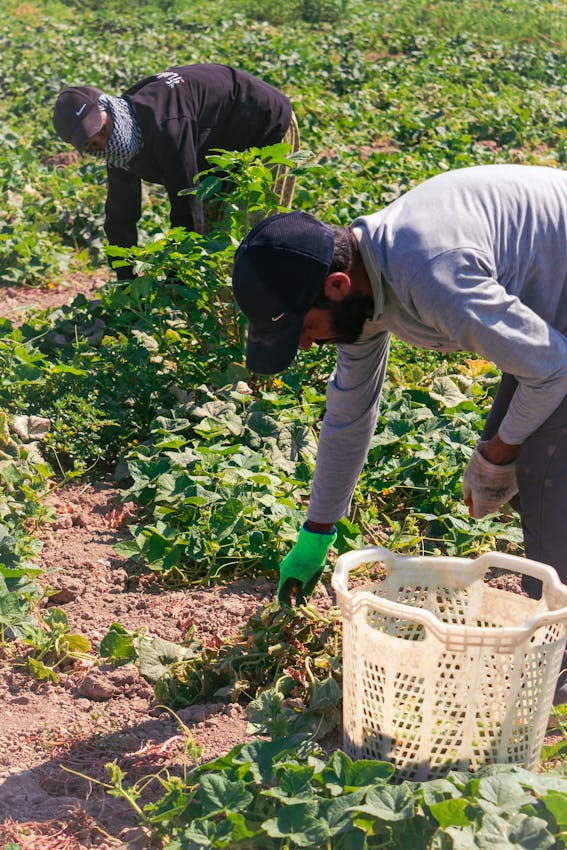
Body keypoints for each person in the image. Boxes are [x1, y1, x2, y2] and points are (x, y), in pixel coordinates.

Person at [231, 164, 567, 629]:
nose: (306, 344)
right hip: (551, 329)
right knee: (523, 474)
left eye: (305, 327)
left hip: (556, 347)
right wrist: (317, 533)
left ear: (337, 286)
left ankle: (559, 661)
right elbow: (349, 416)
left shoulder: (432, 274)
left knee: (540, 473)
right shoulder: (364, 288)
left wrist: (499, 450)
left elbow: (552, 371)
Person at [52, 64, 298, 279]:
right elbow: (121, 215)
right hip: (219, 143)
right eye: (93, 145)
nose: (105, 144)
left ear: (108, 107)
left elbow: (187, 204)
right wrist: (126, 279)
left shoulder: (165, 125)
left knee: (252, 238)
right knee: (217, 234)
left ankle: (271, 309)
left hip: (264, 126)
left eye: (103, 131)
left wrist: (178, 280)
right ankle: (218, 305)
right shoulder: (117, 146)